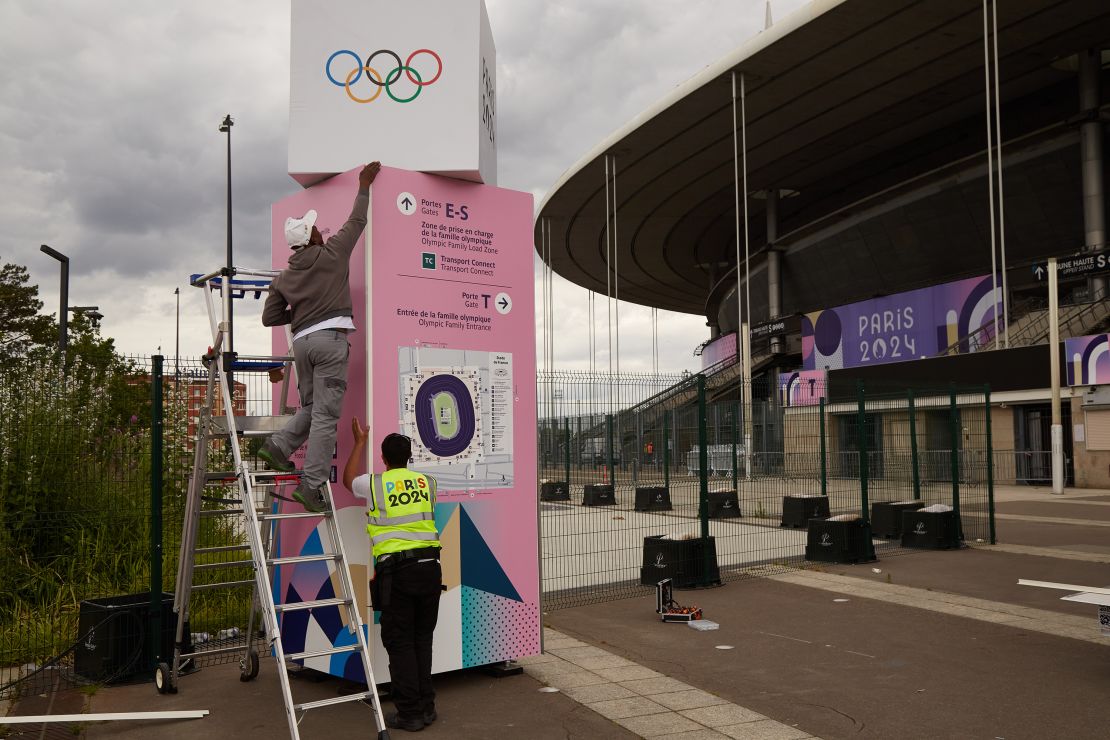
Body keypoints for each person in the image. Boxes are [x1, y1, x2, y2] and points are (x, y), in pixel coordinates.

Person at [258, 161, 381, 512]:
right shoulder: (332, 254)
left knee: (313, 408)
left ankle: (279, 447)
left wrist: (299, 312)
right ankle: (311, 486)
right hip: (329, 341)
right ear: (312, 236)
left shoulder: (283, 277)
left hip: (301, 344)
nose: (320, 231)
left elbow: (270, 317)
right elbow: (357, 221)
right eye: (316, 229)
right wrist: (364, 184)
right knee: (326, 416)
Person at [345, 419, 442, 733]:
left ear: (384, 459)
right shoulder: (427, 482)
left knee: (399, 642)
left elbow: (348, 480)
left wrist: (359, 442)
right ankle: (426, 708)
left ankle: (410, 713)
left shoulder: (373, 484)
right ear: (409, 457)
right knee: (421, 640)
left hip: (398, 573)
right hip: (430, 568)